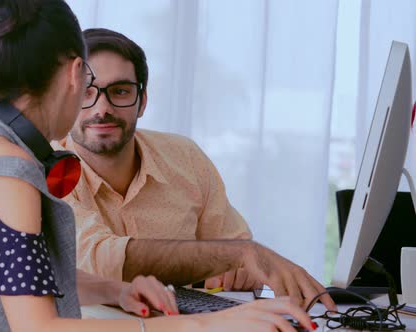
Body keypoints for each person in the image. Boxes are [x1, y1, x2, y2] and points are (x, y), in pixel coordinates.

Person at [0, 1, 318, 331]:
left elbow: (18, 278)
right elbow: (42, 329)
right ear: (75, 74)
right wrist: (204, 324)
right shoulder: (4, 166)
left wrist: (115, 291)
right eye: (91, 83)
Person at [58, 27, 336, 310]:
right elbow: (97, 260)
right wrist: (236, 255)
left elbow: (234, 249)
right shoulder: (45, 166)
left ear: (142, 101)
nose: (101, 108)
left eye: (120, 91)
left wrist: (238, 267)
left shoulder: (185, 157)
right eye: (85, 92)